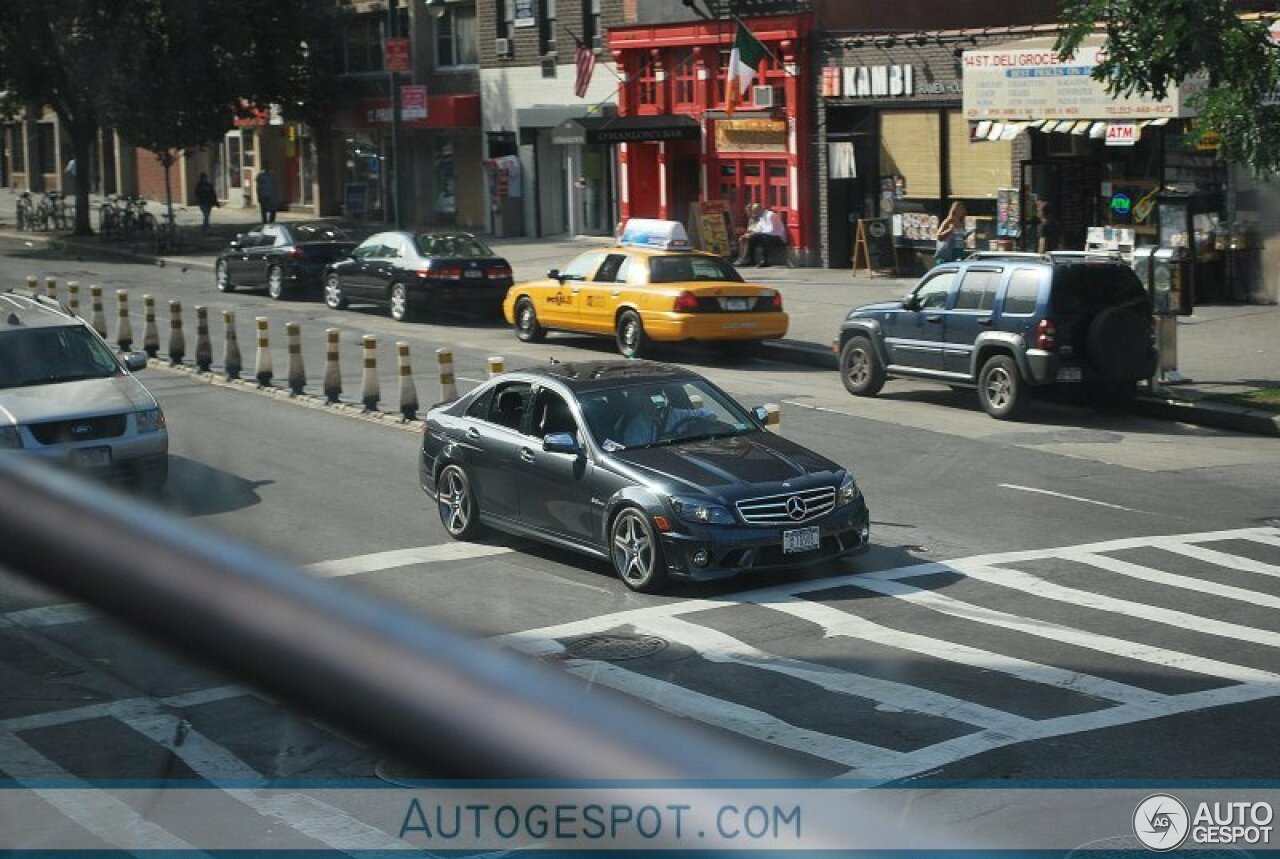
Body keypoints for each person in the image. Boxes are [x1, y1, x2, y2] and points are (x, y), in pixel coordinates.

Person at [933, 201, 968, 266]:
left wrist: (966, 236)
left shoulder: (962, 222)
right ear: (954, 210)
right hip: (950, 250)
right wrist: (949, 230)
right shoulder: (949, 220)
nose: (961, 211)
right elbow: (939, 236)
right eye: (959, 209)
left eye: (962, 209)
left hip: (960, 250)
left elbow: (961, 237)